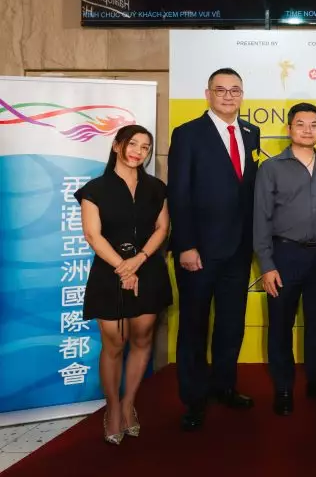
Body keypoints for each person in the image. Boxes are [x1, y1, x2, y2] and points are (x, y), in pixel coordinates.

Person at [168, 68, 260, 431]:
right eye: (221, 90)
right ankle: (194, 399)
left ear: (242, 95)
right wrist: (186, 245)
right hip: (200, 251)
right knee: (194, 326)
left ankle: (225, 386)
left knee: (231, 324)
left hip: (239, 249)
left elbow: (248, 190)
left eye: (235, 90)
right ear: (208, 94)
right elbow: (179, 193)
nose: (228, 96)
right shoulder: (188, 133)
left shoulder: (251, 132)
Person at [77, 125, 171, 444]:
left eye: (145, 147)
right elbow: (92, 235)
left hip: (148, 270)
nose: (138, 152)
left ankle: (129, 403)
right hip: (109, 274)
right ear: (117, 146)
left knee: (143, 339)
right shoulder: (95, 189)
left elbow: (162, 228)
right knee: (115, 343)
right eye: (133, 144)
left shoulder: (156, 188)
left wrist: (138, 261)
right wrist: (123, 267)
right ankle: (113, 408)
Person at [254, 103, 316, 416]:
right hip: (285, 254)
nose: (308, 130)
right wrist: (267, 265)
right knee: (280, 325)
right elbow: (261, 218)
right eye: (300, 124)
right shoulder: (271, 168)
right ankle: (283, 387)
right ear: (289, 128)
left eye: (313, 125)